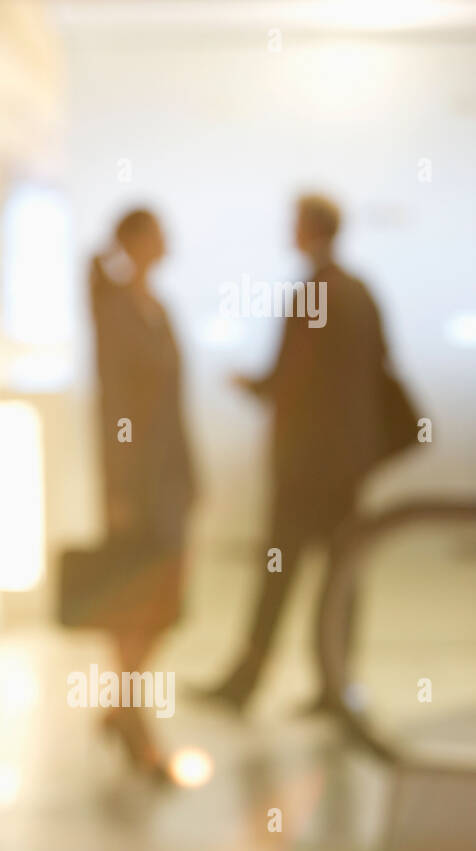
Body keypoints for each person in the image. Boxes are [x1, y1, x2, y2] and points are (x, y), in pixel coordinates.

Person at [201, 194, 388, 714]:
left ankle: (247, 683)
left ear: (309, 230)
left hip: (305, 467)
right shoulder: (359, 293)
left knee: (278, 573)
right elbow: (376, 369)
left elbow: (288, 380)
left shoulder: (313, 294)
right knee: (342, 576)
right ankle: (336, 684)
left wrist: (252, 385)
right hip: (347, 466)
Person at [87, 209, 197, 779]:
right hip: (138, 479)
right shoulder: (115, 312)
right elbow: (113, 406)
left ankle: (121, 705)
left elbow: (177, 402)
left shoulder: (160, 310)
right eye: (156, 232)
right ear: (133, 243)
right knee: (139, 598)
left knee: (165, 602)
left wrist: (191, 474)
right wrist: (119, 487)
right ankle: (133, 714)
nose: (166, 240)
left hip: (171, 476)